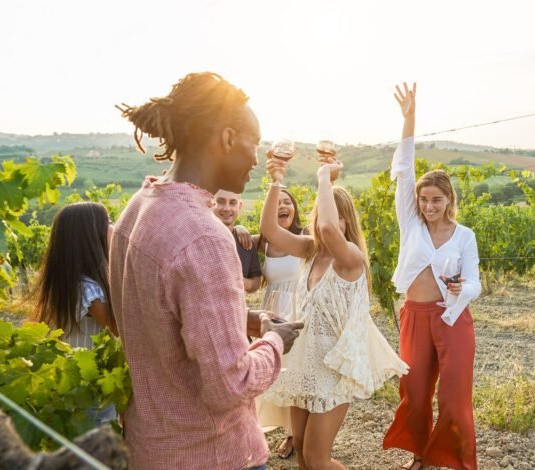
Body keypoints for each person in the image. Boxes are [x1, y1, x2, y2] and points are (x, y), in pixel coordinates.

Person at [111, 72, 304, 470]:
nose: (256, 158)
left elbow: (160, 314)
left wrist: (243, 319)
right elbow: (230, 386)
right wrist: (275, 341)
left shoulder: (139, 207)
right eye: (254, 144)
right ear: (228, 138)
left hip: (151, 447)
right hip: (212, 453)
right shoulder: (205, 237)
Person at [259, 152, 409, 470]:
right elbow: (270, 231)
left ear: (347, 222)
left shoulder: (350, 258)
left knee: (317, 458)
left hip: (333, 369)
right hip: (304, 362)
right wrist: (275, 182)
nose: (330, 223)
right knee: (301, 452)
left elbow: (328, 229)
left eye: (339, 217)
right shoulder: (309, 250)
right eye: (326, 215)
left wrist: (324, 175)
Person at [382, 83, 481, 470]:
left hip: (452, 318)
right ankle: (422, 455)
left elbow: (475, 283)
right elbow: (405, 170)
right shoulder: (411, 224)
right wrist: (409, 118)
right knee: (416, 394)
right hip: (414, 317)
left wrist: (461, 288)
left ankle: (457, 460)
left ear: (449, 200)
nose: (428, 206)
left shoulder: (465, 236)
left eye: (436, 200)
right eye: (424, 200)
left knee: (455, 399)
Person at [234, 188, 305, 459]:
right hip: (274, 309)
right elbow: (234, 241)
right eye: (277, 204)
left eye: (288, 202)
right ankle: (287, 429)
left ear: (295, 208)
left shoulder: (305, 237)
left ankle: (294, 435)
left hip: (300, 309)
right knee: (278, 372)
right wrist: (239, 226)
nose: (283, 207)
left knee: (297, 371)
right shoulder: (262, 243)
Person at [33, 201, 118, 425]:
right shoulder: (89, 290)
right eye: (108, 222)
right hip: (90, 390)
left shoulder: (71, 283)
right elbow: (120, 329)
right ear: (91, 236)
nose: (114, 226)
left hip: (75, 387)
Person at [212, 189, 262, 293]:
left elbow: (256, 279)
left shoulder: (246, 242)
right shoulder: (199, 241)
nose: (227, 208)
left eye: (233, 203)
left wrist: (242, 282)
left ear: (239, 206)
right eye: (220, 201)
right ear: (211, 203)